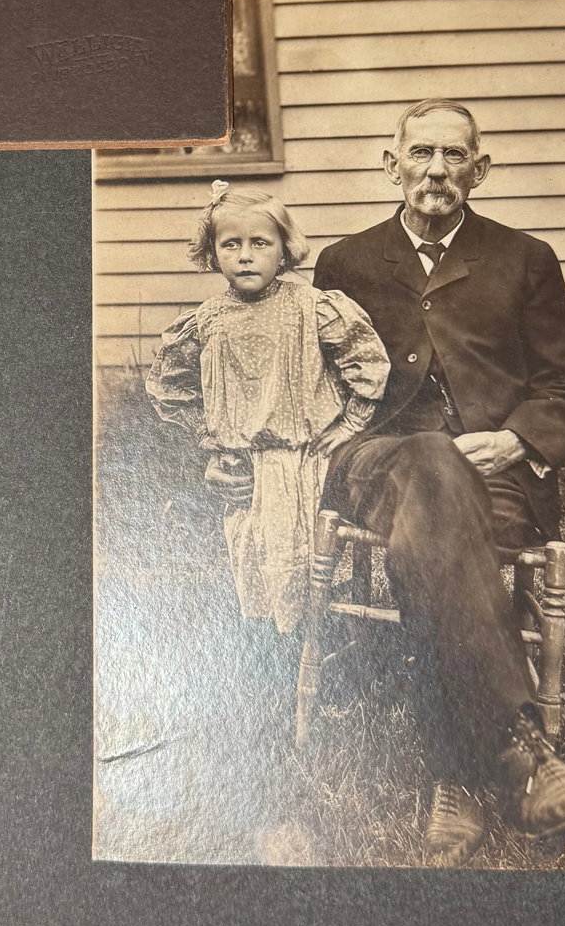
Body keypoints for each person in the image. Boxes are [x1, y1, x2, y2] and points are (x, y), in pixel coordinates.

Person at [311, 100, 565, 864]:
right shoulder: (342, 262)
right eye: (421, 153)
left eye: (455, 155)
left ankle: (456, 772)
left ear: (480, 169)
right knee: (426, 459)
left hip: (495, 473)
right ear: (392, 165)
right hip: (377, 461)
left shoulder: (525, 258)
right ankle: (524, 755)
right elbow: (312, 384)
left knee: (440, 507)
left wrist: (515, 439)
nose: (437, 170)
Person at [147, 182, 390, 637]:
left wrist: (351, 423)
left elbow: (367, 361)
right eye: (230, 244)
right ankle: (269, 650)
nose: (245, 256)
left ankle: (324, 644)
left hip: (305, 459)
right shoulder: (206, 319)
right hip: (245, 467)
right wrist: (211, 435)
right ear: (212, 253)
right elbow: (170, 386)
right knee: (255, 561)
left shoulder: (311, 307)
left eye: (260, 243)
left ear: (283, 250)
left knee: (308, 565)